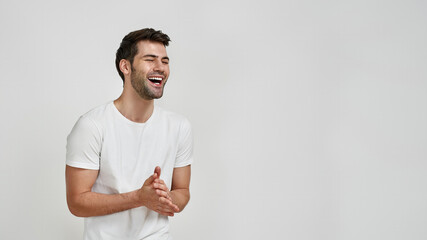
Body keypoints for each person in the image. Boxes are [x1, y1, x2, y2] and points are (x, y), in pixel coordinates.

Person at [65, 28, 193, 240]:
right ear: (125, 66)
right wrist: (140, 198)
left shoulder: (179, 126)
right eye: (150, 59)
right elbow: (77, 203)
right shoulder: (92, 125)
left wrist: (163, 198)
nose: (160, 68)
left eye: (165, 61)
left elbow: (182, 191)